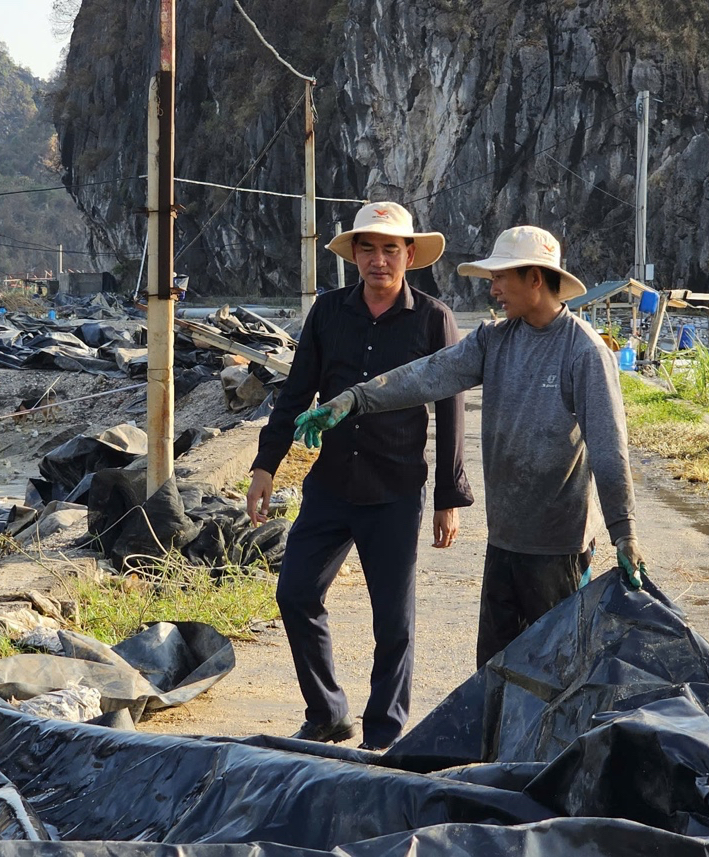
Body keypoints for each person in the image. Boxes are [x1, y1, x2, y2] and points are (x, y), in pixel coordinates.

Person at [295, 225, 643, 667]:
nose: (493, 289)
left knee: (557, 671)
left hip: (558, 547)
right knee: (495, 670)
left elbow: (610, 449)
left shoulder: (583, 352)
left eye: (500, 278)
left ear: (535, 279)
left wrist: (624, 532)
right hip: (504, 538)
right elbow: (426, 374)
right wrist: (354, 399)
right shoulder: (494, 340)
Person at [246, 201, 473, 751]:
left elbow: (450, 411)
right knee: (296, 593)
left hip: (395, 490)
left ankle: (383, 735)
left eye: (390, 249)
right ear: (354, 257)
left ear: (410, 255)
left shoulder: (432, 318)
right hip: (330, 486)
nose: (378, 260)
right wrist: (264, 466)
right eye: (367, 249)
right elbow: (296, 392)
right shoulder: (327, 313)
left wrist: (447, 496)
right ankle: (327, 713)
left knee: (393, 623)